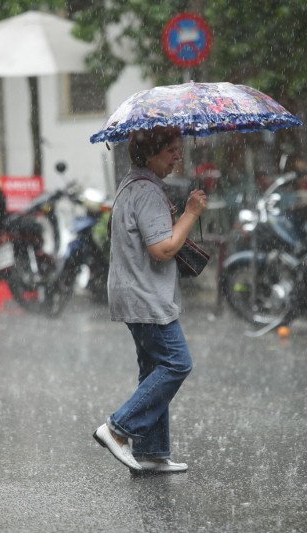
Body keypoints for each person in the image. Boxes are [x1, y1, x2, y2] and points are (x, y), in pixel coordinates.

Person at [93, 126, 208, 474]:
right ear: (150, 153)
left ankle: (151, 452)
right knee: (177, 363)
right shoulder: (146, 191)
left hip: (133, 292)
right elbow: (163, 248)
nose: (177, 157)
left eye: (178, 150)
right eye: (171, 150)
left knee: (153, 369)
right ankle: (118, 429)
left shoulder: (133, 184)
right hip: (146, 296)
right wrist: (191, 213)